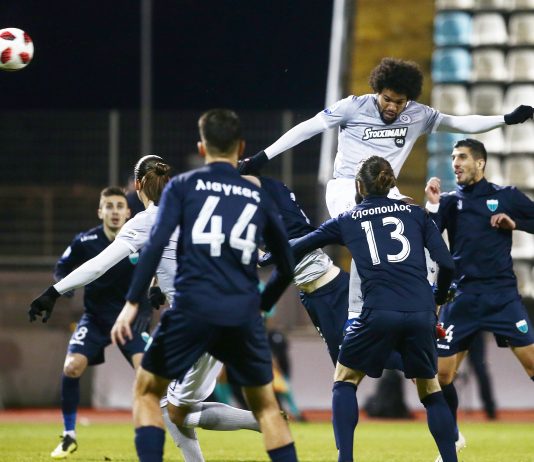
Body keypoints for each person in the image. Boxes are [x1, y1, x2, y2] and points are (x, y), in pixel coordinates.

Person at [240, 56, 534, 318]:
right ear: (377, 91)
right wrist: (262, 157)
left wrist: (506, 119)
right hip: (347, 187)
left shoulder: (418, 115)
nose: (392, 107)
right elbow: (307, 128)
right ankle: (352, 305)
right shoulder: (353, 106)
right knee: (367, 235)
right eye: (387, 99)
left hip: (386, 191)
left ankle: (428, 302)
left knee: (422, 238)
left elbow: (460, 123)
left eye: (399, 102)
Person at [30, 155, 260, 462]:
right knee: (176, 407)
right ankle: (259, 419)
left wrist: (53, 292)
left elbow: (98, 266)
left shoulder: (146, 220)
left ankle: (262, 418)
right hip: (231, 311)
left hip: (196, 321)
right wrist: (159, 285)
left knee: (161, 402)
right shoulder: (195, 209)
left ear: (137, 185)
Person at [110, 109, 298, 462]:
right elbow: (287, 265)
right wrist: (261, 306)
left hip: (193, 308)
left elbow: (155, 245)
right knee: (266, 408)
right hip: (241, 311)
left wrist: (133, 302)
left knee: (148, 393)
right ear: (240, 147)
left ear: (201, 147)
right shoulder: (258, 194)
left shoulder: (183, 187)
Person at [262, 155, 458, 462]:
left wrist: (269, 257)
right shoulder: (416, 214)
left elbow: (304, 243)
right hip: (421, 313)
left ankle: (346, 459)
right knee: (430, 389)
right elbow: (446, 263)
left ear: (359, 186)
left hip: (378, 312)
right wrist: (439, 295)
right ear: (390, 182)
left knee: (344, 380)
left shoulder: (350, 219)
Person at [425, 138, 534, 462]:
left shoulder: (506, 196)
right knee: (441, 377)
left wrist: (517, 223)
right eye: (453, 158)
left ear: (480, 162)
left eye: (462, 157)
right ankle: (453, 437)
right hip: (462, 298)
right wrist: (433, 206)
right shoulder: (449, 202)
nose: (455, 163)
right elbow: (430, 240)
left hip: (502, 297)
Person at [28, 186, 142, 459]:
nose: (114, 211)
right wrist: (63, 290)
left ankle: (151, 433)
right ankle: (69, 435)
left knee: (148, 375)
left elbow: (157, 267)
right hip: (95, 318)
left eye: (119, 206)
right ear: (100, 212)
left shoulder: (140, 237)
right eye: (109, 206)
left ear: (128, 212)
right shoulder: (85, 241)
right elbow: (62, 268)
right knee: (72, 367)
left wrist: (154, 289)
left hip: (130, 319)